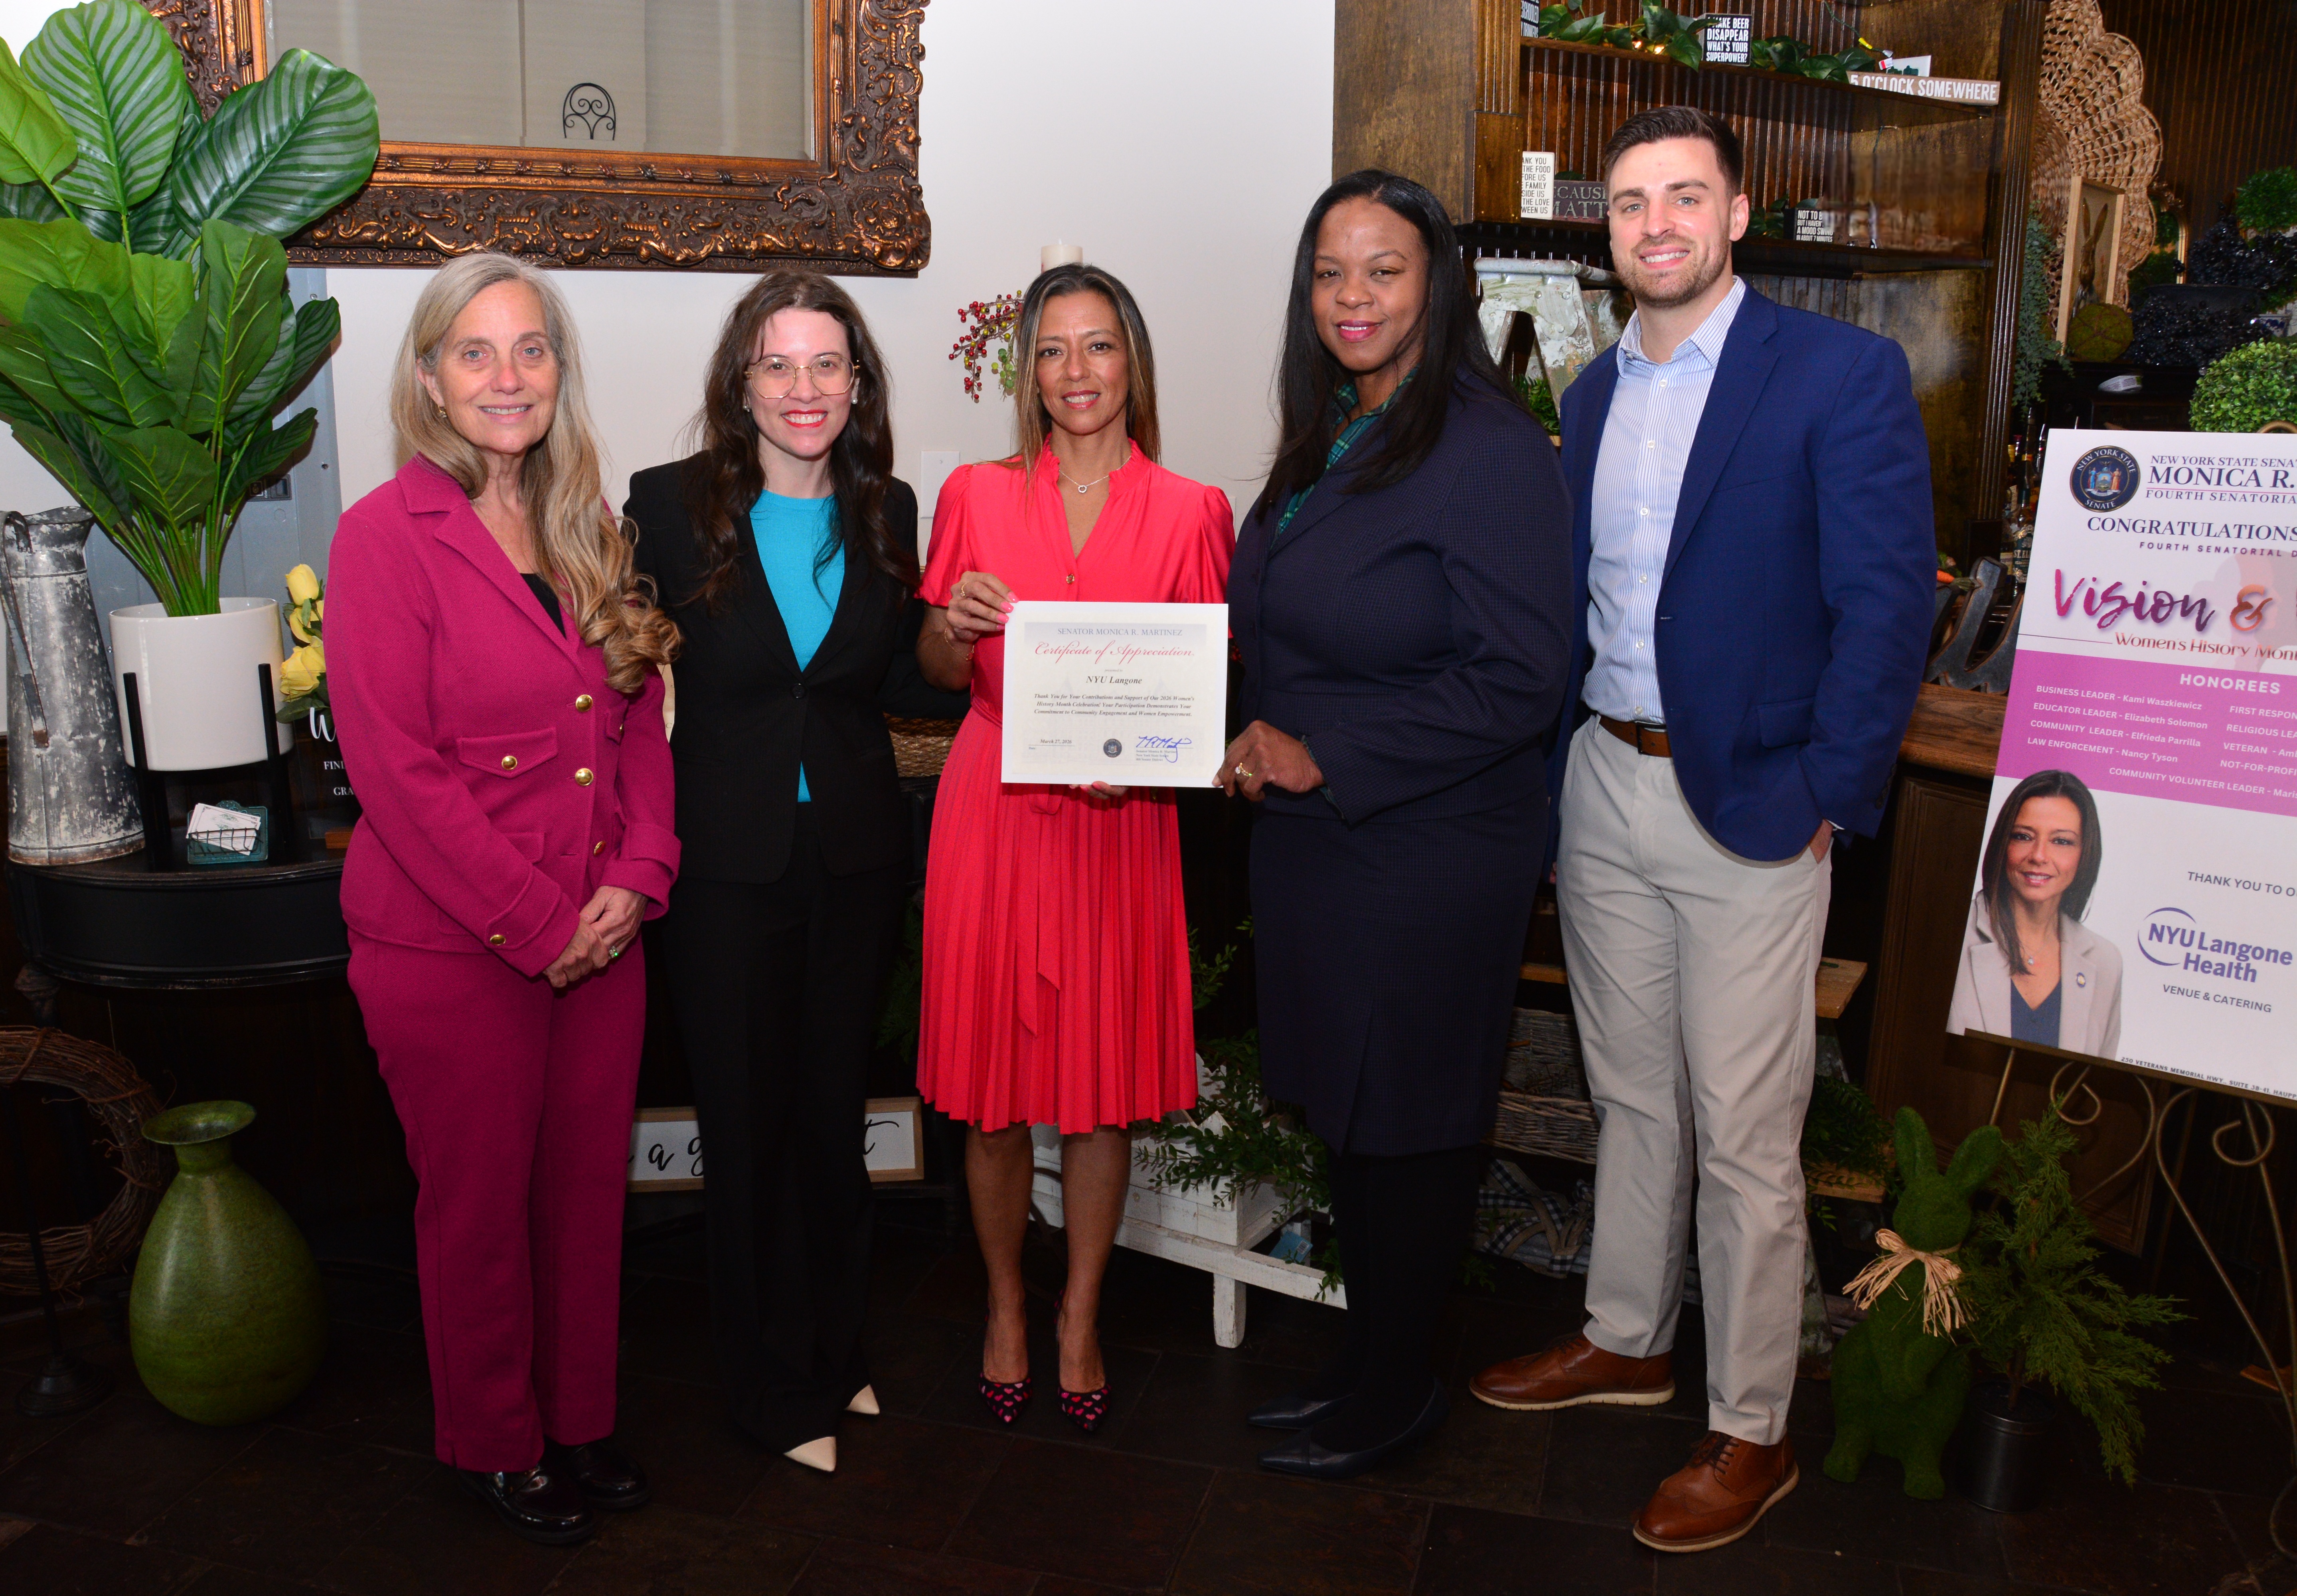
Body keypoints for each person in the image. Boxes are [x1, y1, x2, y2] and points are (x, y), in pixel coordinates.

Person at [1468, 106, 1936, 1554]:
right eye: (1627, 202)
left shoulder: (1839, 375)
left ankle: (1749, 1425)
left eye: (1683, 196)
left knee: (1745, 1133)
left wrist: (1819, 793)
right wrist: (1555, 783)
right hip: (1604, 782)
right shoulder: (1597, 394)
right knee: (1634, 1093)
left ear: (1738, 214)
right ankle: (1626, 1333)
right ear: (1599, 230)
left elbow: (1885, 609)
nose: (1653, 221)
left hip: (1750, 803)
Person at [1220, 169, 1573, 1480]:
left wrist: (1330, 751)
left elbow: (1518, 676)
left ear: (1435, 285)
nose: (1351, 296)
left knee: (1411, 1127)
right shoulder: (1334, 433)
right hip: (1324, 849)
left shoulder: (1483, 447)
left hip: (1425, 851)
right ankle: (1364, 1367)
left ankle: (1395, 1391)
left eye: (1381, 269)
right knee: (1355, 1129)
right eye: (1329, 272)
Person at [330, 252, 681, 1546]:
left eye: (529, 349)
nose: (506, 376)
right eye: (474, 353)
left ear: (557, 370)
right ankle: (494, 1440)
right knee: (478, 1207)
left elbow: (640, 713)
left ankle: (577, 1420)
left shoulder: (588, 520)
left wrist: (639, 879)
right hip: (456, 946)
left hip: (606, 935)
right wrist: (543, 927)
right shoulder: (382, 539)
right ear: (428, 377)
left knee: (585, 1197)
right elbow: (396, 772)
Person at [624, 270, 944, 1475]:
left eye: (826, 366)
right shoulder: (666, 507)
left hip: (854, 861)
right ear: (741, 383)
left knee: (831, 1121)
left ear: (855, 385)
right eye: (779, 365)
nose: (802, 389)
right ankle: (768, 1389)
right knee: (748, 1128)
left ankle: (832, 1351)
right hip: (723, 871)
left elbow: (896, 684)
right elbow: (614, 661)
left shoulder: (885, 507)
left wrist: (959, 635)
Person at [915, 262, 1232, 1432]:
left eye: (1097, 347)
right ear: (1026, 372)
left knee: (1099, 1095)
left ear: (1130, 362)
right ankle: (1004, 1298)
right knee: (993, 1099)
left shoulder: (1193, 507)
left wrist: (1150, 754)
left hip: (1118, 826)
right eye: (1051, 350)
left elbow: (1200, 702)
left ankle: (1080, 1311)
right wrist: (951, 627)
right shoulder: (972, 493)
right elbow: (940, 673)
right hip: (993, 814)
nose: (1075, 373)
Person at [1947, 770, 2122, 1056]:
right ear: (2003, 844)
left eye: (2061, 841)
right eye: (2023, 837)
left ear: (2085, 853)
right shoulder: (1952, 931)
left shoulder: (2106, 962)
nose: (2039, 856)